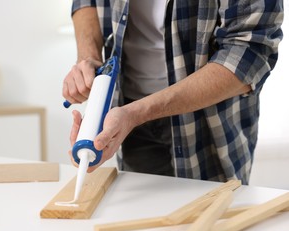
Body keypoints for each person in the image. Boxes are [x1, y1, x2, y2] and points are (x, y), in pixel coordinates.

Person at [62, 0, 283, 184]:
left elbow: (249, 52)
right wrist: (87, 57)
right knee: (142, 228)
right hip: (127, 115)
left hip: (209, 124)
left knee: (212, 226)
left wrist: (137, 113)